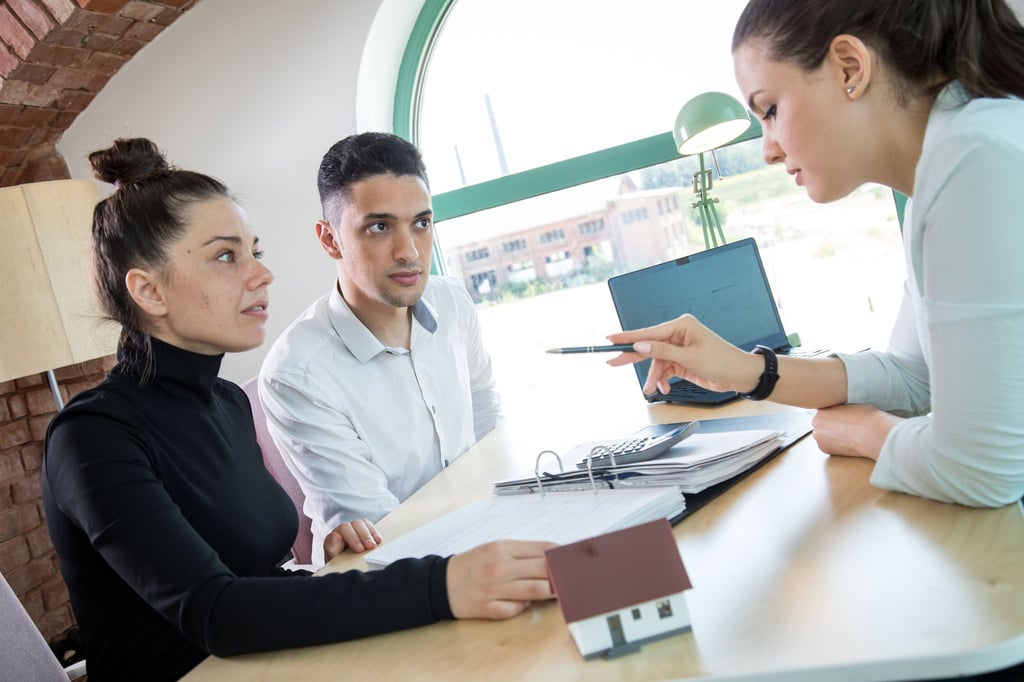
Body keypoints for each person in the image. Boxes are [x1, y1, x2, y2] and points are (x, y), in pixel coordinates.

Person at [41, 138, 554, 682]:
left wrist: (321, 566)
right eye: (225, 256)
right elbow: (218, 613)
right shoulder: (92, 437)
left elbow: (253, 575)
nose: (262, 275)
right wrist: (444, 585)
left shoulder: (226, 403)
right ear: (148, 290)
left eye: (254, 252)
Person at [609, 0, 1024, 508]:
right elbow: (914, 378)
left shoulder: (976, 160)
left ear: (850, 67)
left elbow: (982, 469)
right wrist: (745, 370)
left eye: (770, 111)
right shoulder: (944, 170)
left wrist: (867, 433)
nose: (768, 149)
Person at [259, 132, 503, 565]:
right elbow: (379, 530)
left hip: (484, 534)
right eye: (379, 226)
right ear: (330, 239)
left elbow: (490, 430)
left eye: (422, 223)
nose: (409, 251)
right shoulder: (296, 373)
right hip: (390, 572)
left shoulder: (452, 302)